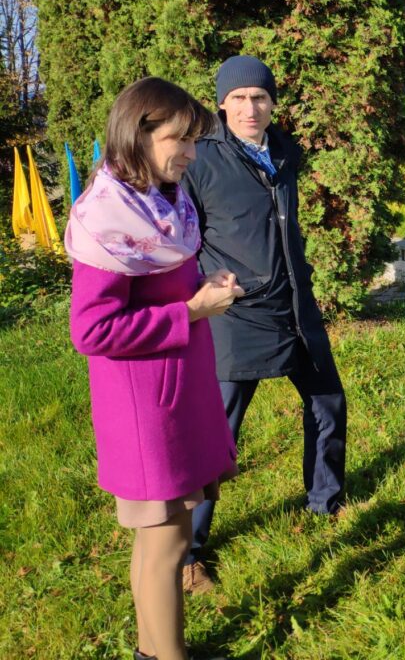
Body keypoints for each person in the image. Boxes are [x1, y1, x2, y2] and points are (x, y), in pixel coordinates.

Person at [66, 77, 243, 660]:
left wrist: (201, 286)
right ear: (138, 134)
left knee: (162, 541)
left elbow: (159, 284)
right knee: (167, 543)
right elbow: (92, 331)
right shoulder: (109, 220)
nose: (191, 153)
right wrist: (190, 311)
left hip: (174, 395)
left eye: (194, 140)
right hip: (145, 409)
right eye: (179, 140)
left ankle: (154, 653)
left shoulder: (158, 202)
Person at [180, 55, 347, 592]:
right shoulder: (201, 160)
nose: (250, 108)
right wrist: (205, 288)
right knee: (218, 433)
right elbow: (183, 239)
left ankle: (325, 502)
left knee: (327, 403)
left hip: (295, 305)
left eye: (260, 97)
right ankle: (187, 553)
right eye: (239, 98)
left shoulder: (283, 152)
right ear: (221, 104)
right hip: (236, 314)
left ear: (272, 103)